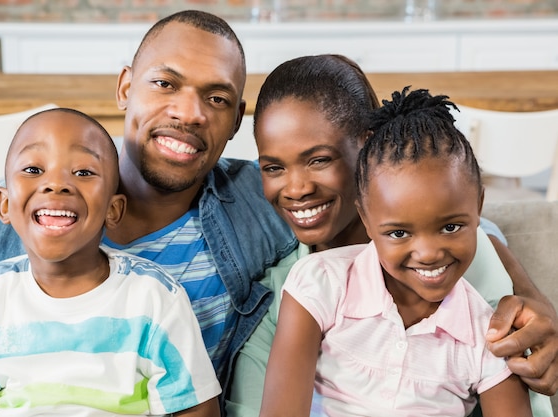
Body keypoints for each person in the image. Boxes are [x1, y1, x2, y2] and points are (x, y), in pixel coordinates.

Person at [0, 10, 296, 417]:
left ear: (235, 120)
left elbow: (358, 201)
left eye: (217, 99)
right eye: (164, 83)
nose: (190, 112)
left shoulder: (264, 200)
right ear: (125, 87)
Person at [225, 55, 556, 416]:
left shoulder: (475, 289)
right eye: (273, 167)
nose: (297, 188)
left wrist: (526, 289)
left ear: (367, 144)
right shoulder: (297, 288)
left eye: (319, 159)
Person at [0, 108, 221, 417]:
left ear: (113, 210)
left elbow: (198, 411)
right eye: (33, 169)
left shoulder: (156, 299)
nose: (56, 184)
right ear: (3, 204)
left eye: (83, 172)